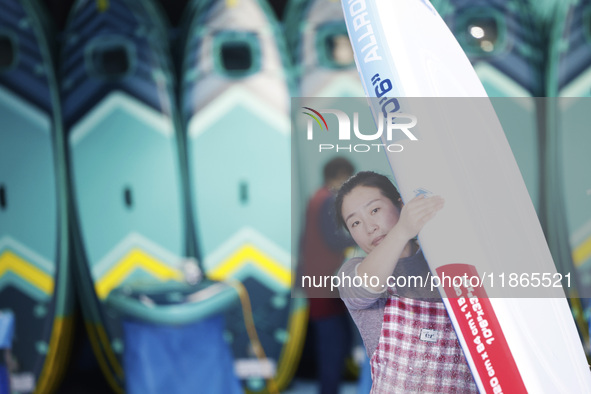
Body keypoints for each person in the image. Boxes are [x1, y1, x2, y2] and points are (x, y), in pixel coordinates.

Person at [335, 171, 477, 393]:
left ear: (401, 205)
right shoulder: (353, 272)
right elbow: (364, 288)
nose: (369, 227)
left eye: (375, 210)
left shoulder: (447, 262)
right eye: (354, 223)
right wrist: (402, 230)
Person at [300, 157, 355, 394]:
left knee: (335, 341)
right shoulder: (327, 200)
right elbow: (332, 240)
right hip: (325, 283)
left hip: (318, 280)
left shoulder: (316, 198)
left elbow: (305, 240)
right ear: (339, 175)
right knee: (332, 345)